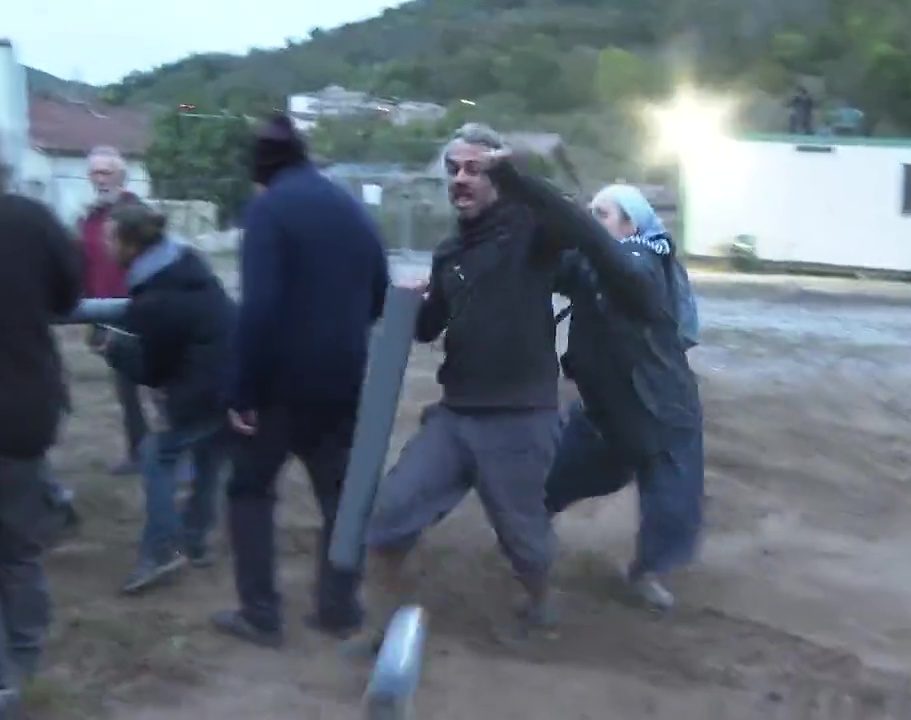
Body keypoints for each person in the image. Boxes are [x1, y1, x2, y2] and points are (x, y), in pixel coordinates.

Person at [344, 123, 564, 650]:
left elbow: (563, 211)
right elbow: (427, 327)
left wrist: (519, 165)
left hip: (519, 416)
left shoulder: (532, 233)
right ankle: (384, 628)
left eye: (474, 169)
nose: (460, 179)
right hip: (456, 415)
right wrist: (405, 301)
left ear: (499, 177)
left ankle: (540, 607)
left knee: (525, 540)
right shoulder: (448, 253)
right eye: (453, 169)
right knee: (391, 514)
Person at [491, 164, 705, 611]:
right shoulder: (588, 264)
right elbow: (545, 263)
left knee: (669, 498)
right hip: (604, 409)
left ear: (630, 224)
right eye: (590, 213)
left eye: (602, 214)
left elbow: (614, 265)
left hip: (660, 407)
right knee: (550, 477)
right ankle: (529, 543)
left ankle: (648, 573)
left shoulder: (647, 261)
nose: (592, 221)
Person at [212, 114, 390, 648]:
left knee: (249, 489)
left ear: (260, 168)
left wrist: (243, 391)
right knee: (339, 494)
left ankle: (260, 614)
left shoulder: (269, 210)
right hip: (344, 379)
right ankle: (338, 608)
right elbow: (380, 293)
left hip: (280, 386)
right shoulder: (351, 208)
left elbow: (259, 308)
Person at [95, 199, 235, 595]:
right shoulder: (185, 265)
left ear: (130, 245)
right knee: (209, 455)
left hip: (204, 387)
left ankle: (161, 551)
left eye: (111, 239)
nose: (106, 247)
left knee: (157, 457)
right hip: (232, 379)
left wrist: (115, 351)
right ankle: (195, 540)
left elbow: (154, 371)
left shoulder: (154, 299)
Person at [0, 160, 82, 705]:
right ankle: (21, 665)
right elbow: (70, 293)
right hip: (19, 407)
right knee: (18, 549)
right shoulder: (31, 220)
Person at [80, 145, 149, 475]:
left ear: (121, 175)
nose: (99, 178)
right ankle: (138, 452)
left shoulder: (136, 213)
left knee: (163, 389)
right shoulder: (90, 217)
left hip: (138, 312)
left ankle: (185, 456)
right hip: (102, 313)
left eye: (105, 171)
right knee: (126, 391)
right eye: (94, 171)